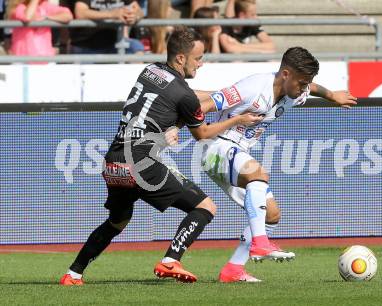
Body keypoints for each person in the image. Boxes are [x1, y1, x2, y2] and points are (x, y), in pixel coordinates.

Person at [59, 27, 262, 286]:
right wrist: (239, 118)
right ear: (180, 58)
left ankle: (73, 274)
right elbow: (202, 133)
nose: (201, 63)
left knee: (117, 222)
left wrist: (217, 97)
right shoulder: (184, 94)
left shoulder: (150, 70)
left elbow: (180, 97)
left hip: (113, 162)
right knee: (205, 207)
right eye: (198, 58)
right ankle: (170, 260)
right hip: (140, 163)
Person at [196, 47, 357, 282]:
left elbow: (312, 88)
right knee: (258, 173)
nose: (303, 88)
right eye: (301, 82)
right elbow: (206, 105)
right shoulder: (253, 87)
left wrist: (333, 95)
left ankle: (233, 270)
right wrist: (173, 125)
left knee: (271, 214)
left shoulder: (295, 92)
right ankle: (260, 244)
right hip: (216, 147)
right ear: (285, 74)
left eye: (306, 83)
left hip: (237, 153)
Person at [69, 0, 144, 54]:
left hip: (115, 43)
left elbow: (139, 11)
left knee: (136, 47)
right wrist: (112, 14)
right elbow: (80, 13)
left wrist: (135, 16)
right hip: (86, 45)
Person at [6, 0, 73, 56]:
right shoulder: (17, 8)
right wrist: (34, 1)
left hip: (45, 59)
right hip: (23, 59)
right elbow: (27, 17)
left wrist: (47, 17)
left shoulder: (45, 6)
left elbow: (68, 16)